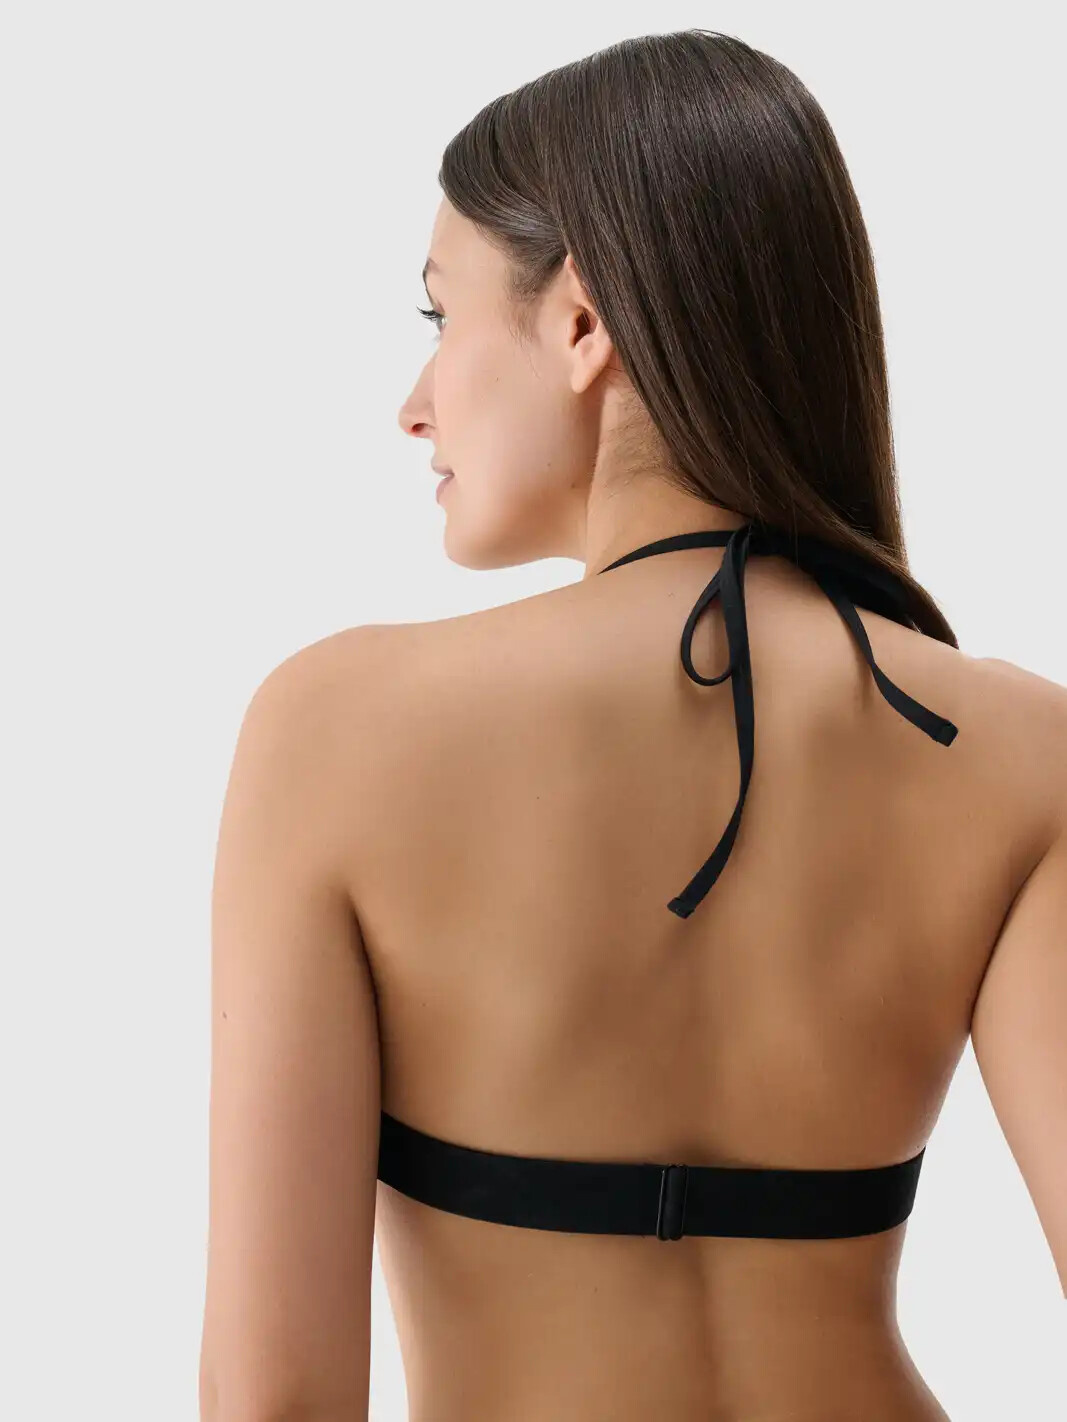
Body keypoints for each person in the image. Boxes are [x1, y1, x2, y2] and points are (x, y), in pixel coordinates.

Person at [198, 28, 1067, 1422]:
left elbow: (277, 1400)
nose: (413, 407)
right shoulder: (1022, 753)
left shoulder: (335, 731)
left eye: (438, 316)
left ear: (581, 322)